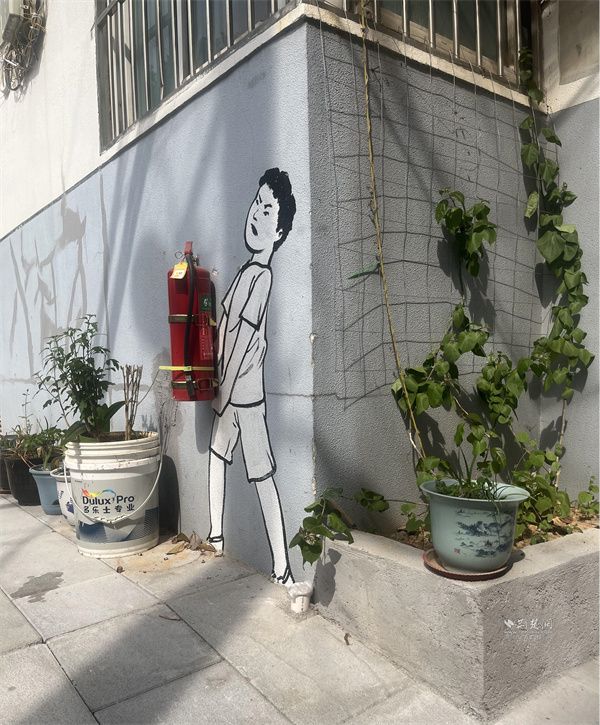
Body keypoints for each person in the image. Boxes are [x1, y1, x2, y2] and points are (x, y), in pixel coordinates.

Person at [207, 168, 296, 585]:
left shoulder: (261, 276)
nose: (257, 214)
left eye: (268, 209)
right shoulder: (245, 271)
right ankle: (216, 538)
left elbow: (242, 338)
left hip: (244, 396)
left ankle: (281, 566)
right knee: (218, 455)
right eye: (257, 203)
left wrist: (223, 390)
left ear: (278, 231)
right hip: (230, 391)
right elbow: (225, 329)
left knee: (261, 475)